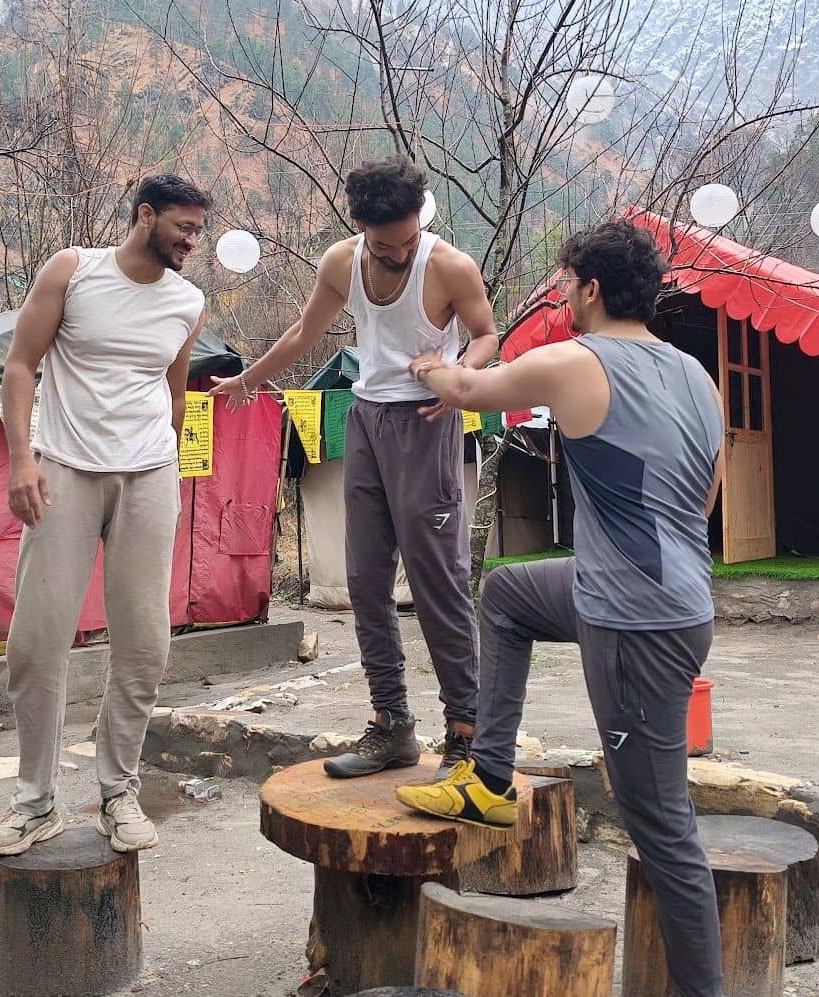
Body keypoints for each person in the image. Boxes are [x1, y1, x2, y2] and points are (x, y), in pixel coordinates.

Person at [395, 220, 727, 997]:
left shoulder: (577, 360)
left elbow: (469, 391)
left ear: (592, 289)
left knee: (661, 824)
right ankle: (490, 776)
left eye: (567, 283)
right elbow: (704, 502)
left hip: (636, 622)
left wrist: (428, 364)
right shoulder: (698, 376)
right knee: (508, 593)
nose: (564, 297)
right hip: (667, 595)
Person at [212, 156, 498, 780]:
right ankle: (391, 725)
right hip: (366, 421)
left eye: (408, 239)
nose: (399, 253)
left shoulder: (449, 265)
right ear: (361, 226)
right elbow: (303, 332)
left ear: (419, 219)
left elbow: (485, 335)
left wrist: (459, 376)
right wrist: (248, 379)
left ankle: (467, 733)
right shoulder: (341, 261)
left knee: (439, 583)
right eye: (385, 244)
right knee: (365, 582)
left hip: (427, 421)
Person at [0, 174, 210, 856]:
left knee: (144, 642)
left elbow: (175, 392)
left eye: (199, 232)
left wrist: (168, 460)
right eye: (184, 228)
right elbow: (19, 367)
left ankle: (117, 791)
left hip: (149, 476)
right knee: (37, 639)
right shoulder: (73, 270)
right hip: (65, 468)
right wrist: (22, 459)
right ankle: (35, 801)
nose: (192, 243)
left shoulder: (187, 301)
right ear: (145, 215)